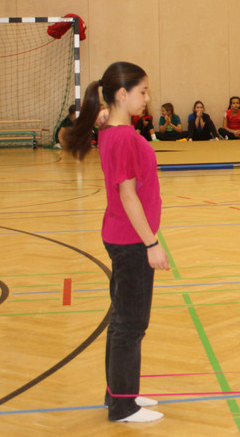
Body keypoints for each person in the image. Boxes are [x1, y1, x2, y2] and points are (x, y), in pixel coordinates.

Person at [64, 62, 167, 423]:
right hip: (131, 241)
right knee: (131, 324)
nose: (147, 98)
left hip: (123, 236)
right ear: (122, 94)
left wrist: (105, 114)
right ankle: (123, 406)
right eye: (142, 91)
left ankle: (120, 392)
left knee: (123, 318)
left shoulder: (112, 130)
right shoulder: (121, 136)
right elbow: (128, 195)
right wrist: (151, 244)